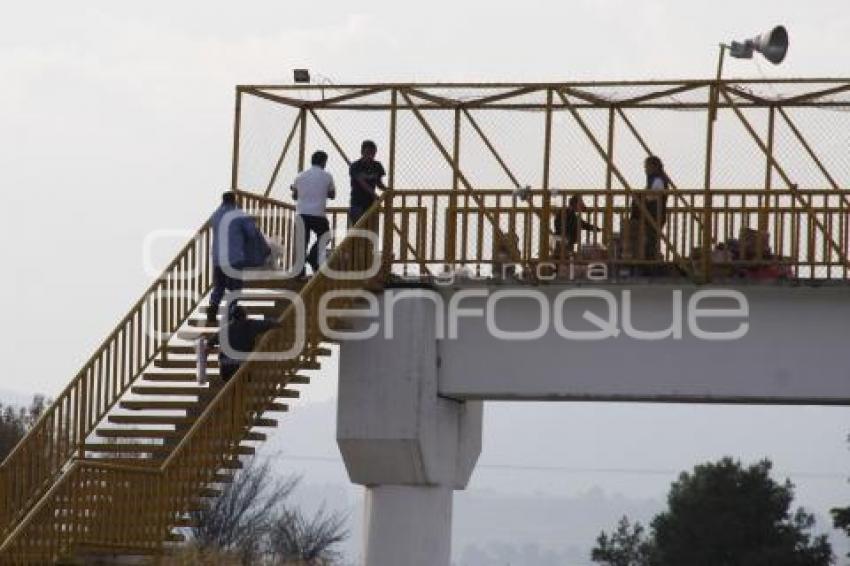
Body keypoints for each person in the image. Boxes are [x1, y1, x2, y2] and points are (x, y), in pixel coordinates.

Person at [206, 192, 271, 326]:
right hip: (234, 258)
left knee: (219, 285)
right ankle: (231, 313)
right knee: (235, 288)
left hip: (218, 258)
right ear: (234, 201)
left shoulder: (216, 215)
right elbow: (252, 233)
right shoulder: (238, 214)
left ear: (223, 201)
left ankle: (212, 308)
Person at [290, 150, 336, 277]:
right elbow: (332, 195)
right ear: (323, 162)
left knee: (302, 242)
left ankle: (299, 271)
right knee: (325, 235)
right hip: (318, 214)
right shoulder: (327, 176)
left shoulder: (300, 176)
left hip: (302, 213)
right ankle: (313, 255)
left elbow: (294, 196)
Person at [207, 303, 280, 381]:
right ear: (244, 315)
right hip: (242, 364)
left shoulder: (225, 329)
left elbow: (210, 343)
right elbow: (269, 323)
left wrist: (216, 350)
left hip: (226, 365)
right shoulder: (251, 325)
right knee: (242, 384)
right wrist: (276, 322)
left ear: (232, 316)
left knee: (230, 386)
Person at [630, 155, 669, 262]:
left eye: (646, 166)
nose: (645, 169)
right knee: (649, 241)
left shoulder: (658, 179)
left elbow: (654, 195)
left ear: (653, 166)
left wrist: (641, 197)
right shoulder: (655, 179)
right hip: (652, 214)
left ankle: (651, 265)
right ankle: (651, 262)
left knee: (651, 241)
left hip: (654, 214)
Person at [348, 140, 386, 225]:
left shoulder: (377, 166)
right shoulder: (355, 166)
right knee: (357, 231)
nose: (370, 155)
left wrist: (387, 190)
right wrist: (374, 194)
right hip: (357, 203)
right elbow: (361, 182)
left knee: (371, 232)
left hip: (371, 204)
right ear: (362, 152)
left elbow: (379, 183)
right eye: (368, 152)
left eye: (373, 153)